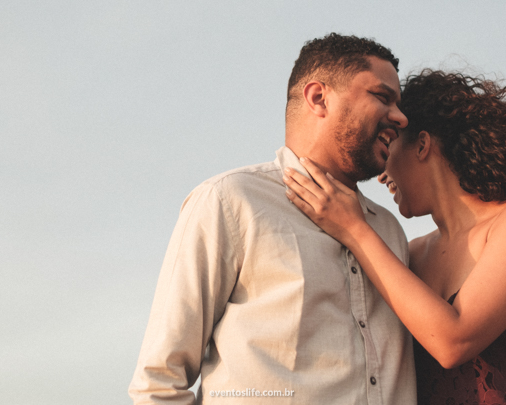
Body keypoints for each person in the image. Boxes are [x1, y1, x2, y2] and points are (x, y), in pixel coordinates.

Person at [283, 70, 506, 405]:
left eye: (391, 142)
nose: (381, 174)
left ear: (423, 145)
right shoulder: (409, 254)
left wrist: (353, 228)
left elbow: (453, 341)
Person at [129, 33, 417, 404]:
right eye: (382, 97)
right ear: (318, 98)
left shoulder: (389, 232)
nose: (401, 117)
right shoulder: (230, 201)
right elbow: (158, 383)